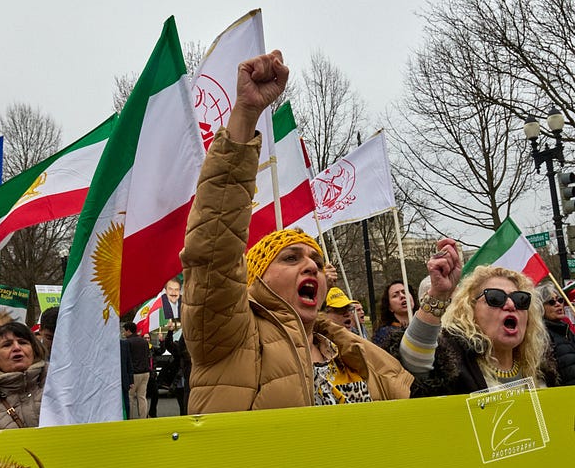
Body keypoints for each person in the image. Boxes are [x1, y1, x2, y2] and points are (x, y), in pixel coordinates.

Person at [181, 51, 412, 414]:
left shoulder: (349, 347)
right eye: (291, 258)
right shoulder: (229, 334)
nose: (311, 267)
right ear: (256, 276)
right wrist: (246, 114)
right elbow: (214, 247)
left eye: (317, 263)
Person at [390, 239, 558, 396]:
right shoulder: (454, 367)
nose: (511, 305)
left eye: (520, 299)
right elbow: (412, 364)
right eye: (495, 298)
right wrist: (439, 294)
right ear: (470, 310)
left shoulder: (543, 370)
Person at [0, 321, 48, 428]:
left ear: (34, 351)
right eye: (7, 345)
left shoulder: (56, 382)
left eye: (23, 342)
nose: (17, 348)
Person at [536, 282, 575, 385]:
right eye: (551, 302)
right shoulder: (542, 336)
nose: (558, 304)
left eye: (560, 300)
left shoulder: (566, 330)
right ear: (540, 307)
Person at [372, 280, 418, 347]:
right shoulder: (384, 334)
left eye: (404, 292)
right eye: (395, 295)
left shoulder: (425, 325)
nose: (402, 296)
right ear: (390, 307)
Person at [122, 321, 150, 419]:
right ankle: (143, 417)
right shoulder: (144, 341)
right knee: (142, 397)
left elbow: (126, 359)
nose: (123, 333)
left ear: (128, 331)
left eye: (124, 331)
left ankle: (130, 418)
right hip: (145, 372)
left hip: (133, 373)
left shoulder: (127, 343)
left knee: (130, 397)